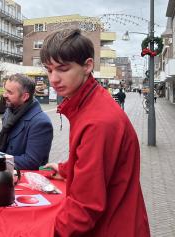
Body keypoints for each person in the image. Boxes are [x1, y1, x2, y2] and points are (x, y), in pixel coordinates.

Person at [40, 29, 150, 236]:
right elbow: (97, 163)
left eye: (62, 69)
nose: (53, 78)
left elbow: (85, 207)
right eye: (49, 70)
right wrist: (66, 169)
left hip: (112, 227)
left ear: (87, 66)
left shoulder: (97, 121)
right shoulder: (90, 103)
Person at [0, 73, 53, 170]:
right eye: (5, 90)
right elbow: (5, 145)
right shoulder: (10, 112)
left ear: (25, 97)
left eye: (10, 92)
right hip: (8, 177)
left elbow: (32, 161)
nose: (4, 95)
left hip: (25, 181)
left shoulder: (41, 123)